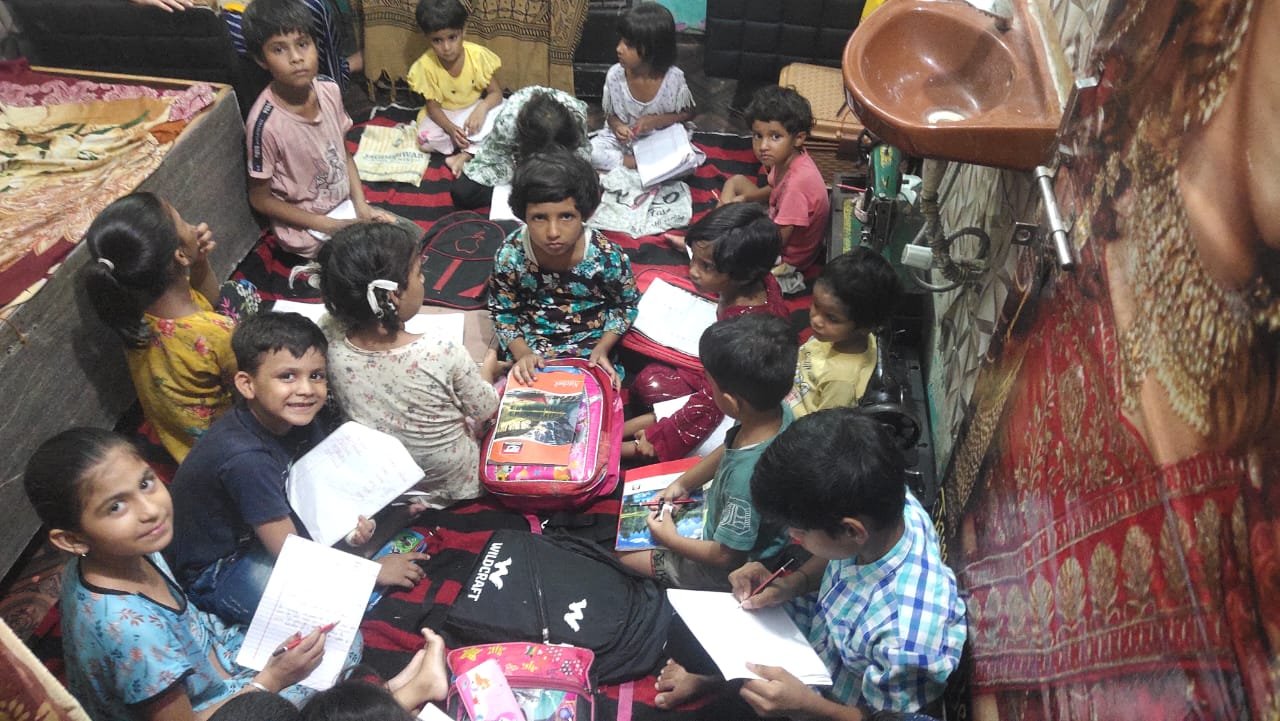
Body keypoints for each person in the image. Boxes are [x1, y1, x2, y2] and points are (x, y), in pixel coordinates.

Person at [654, 409, 966, 717]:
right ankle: (720, 679)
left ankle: (724, 684)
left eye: (799, 531)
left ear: (850, 530)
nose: (792, 536)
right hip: (817, 634)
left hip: (831, 705)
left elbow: (883, 717)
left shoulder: (906, 636)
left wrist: (808, 707)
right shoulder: (885, 502)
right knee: (686, 634)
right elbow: (837, 557)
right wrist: (792, 584)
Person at [24, 427, 332, 721]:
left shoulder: (122, 549)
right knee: (332, 672)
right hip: (203, 707)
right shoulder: (131, 632)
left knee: (322, 630)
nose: (150, 511)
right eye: (116, 507)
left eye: (146, 483)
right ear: (72, 540)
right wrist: (272, 679)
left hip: (208, 656)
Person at [165, 313, 429, 625]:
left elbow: (318, 484)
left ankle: (355, 554)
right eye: (287, 376)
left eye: (316, 376)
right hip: (220, 566)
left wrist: (350, 530)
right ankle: (361, 561)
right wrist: (371, 574)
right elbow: (291, 554)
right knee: (325, 624)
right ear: (247, 385)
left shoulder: (298, 417)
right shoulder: (246, 458)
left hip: (269, 526)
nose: (306, 389)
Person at [318, 223, 504, 507]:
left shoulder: (328, 337)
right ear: (392, 296)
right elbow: (485, 408)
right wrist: (487, 371)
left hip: (383, 479)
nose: (424, 280)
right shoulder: (442, 349)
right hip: (451, 481)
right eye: (418, 273)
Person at [617, 314, 796, 590]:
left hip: (727, 568)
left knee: (624, 558)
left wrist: (669, 538)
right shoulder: (774, 412)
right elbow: (729, 447)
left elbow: (726, 556)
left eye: (710, 385)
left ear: (731, 402)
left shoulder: (745, 482)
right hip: (734, 520)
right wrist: (682, 484)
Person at [83, 193, 255, 463]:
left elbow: (208, 303)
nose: (193, 227)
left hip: (180, 447)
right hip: (229, 452)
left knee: (234, 292)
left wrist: (199, 262)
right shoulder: (218, 333)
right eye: (183, 222)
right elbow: (253, 391)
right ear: (179, 255)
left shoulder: (132, 315)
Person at [622, 203, 791, 461]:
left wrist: (659, 438)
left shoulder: (745, 334)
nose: (693, 271)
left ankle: (614, 448)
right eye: (694, 257)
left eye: (707, 266)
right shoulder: (759, 278)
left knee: (651, 383)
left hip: (731, 392)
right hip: (724, 373)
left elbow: (710, 405)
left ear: (743, 274)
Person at [243, 0, 396, 259]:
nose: (296, 58)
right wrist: (326, 225)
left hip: (343, 206)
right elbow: (260, 198)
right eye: (279, 49)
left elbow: (343, 152)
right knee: (372, 261)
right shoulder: (265, 124)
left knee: (401, 237)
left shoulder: (329, 89)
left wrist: (361, 206)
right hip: (307, 230)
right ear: (261, 59)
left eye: (303, 44)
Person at [486, 151, 639, 389]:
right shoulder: (510, 255)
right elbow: (503, 311)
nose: (553, 232)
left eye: (566, 216)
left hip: (590, 345)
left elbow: (624, 305)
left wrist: (602, 348)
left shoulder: (607, 256)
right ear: (523, 215)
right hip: (531, 344)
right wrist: (522, 353)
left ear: (585, 213)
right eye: (539, 218)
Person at [719, 85, 830, 293]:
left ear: (798, 138)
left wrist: (740, 235)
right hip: (775, 217)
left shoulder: (797, 185)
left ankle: (715, 239)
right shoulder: (786, 159)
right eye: (757, 136)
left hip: (787, 257)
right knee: (736, 182)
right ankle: (718, 231)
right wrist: (745, 199)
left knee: (730, 272)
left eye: (775, 137)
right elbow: (775, 190)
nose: (763, 146)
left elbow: (776, 243)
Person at [788, 248, 902, 417]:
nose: (816, 320)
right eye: (816, 305)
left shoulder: (841, 383)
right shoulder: (838, 336)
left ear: (864, 327)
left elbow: (823, 427)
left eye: (832, 318)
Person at [589, 2, 696, 172]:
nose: (619, 49)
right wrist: (618, 127)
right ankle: (643, 164)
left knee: (686, 160)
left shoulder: (673, 78)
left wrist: (657, 121)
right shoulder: (615, 75)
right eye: (620, 41)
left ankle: (639, 165)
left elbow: (688, 114)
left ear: (654, 49)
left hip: (659, 138)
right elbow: (610, 115)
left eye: (629, 45)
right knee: (591, 153)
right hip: (623, 142)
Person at [449, 86, 590, 210]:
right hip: (514, 157)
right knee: (464, 193)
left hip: (562, 158)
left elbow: (582, 153)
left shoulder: (577, 114)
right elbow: (493, 157)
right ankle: (468, 155)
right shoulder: (508, 123)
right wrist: (525, 175)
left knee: (584, 189)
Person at [408, 0, 503, 163]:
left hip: (473, 109)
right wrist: (450, 129)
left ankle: (464, 152)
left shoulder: (477, 56)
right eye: (437, 40)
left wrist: (481, 109)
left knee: (506, 119)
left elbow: (496, 93)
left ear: (463, 30)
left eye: (452, 37)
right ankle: (471, 147)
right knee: (424, 140)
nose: (446, 47)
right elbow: (433, 108)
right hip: (445, 114)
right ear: (427, 38)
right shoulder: (425, 66)